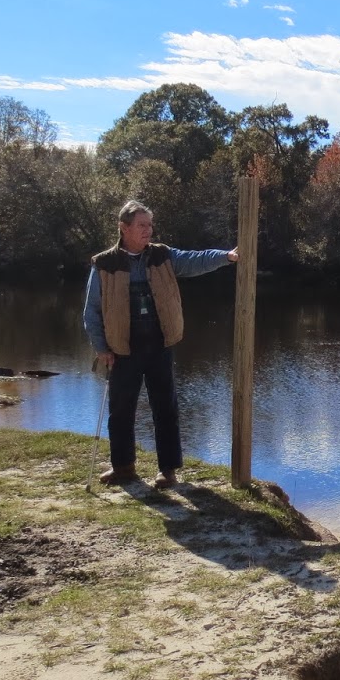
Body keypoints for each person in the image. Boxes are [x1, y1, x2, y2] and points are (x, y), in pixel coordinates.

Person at [83, 199, 237, 488]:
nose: (148, 230)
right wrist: (101, 347)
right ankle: (123, 467)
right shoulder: (103, 263)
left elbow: (195, 259)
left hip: (159, 346)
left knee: (165, 409)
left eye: (150, 225)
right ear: (124, 227)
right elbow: (91, 311)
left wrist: (226, 256)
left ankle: (168, 471)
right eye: (142, 225)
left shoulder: (163, 255)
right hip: (122, 349)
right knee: (121, 411)